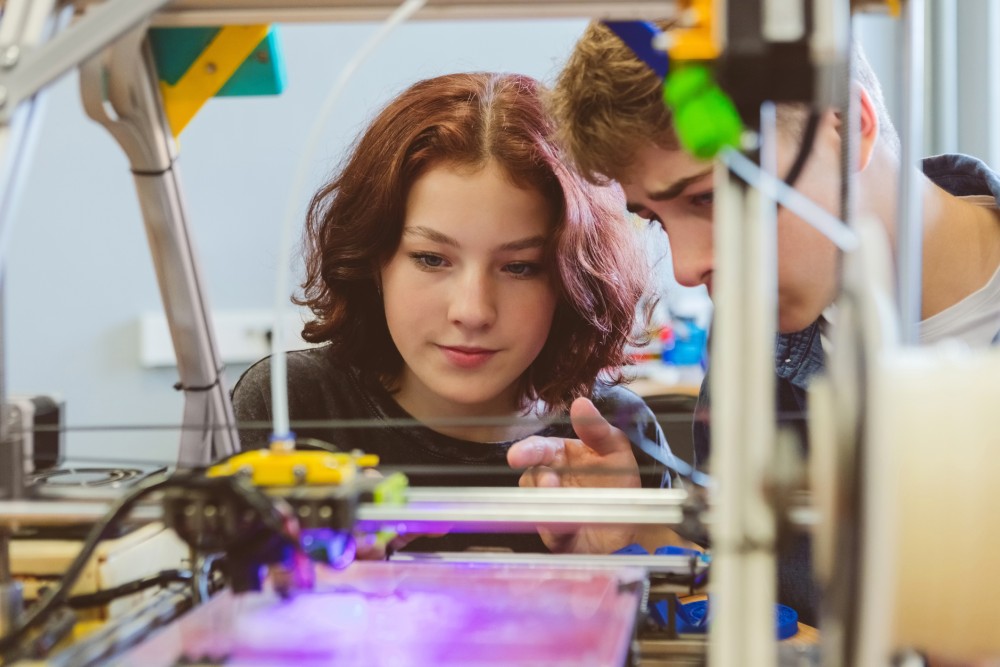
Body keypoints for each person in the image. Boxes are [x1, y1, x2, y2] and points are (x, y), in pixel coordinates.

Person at [509, 19, 1000, 627]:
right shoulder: (755, 342)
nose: (688, 269)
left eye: (710, 198)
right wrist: (642, 532)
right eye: (656, 219)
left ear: (849, 129)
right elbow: (768, 612)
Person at [231, 71, 683, 557]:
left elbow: (695, 607)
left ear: (573, 281)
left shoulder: (610, 433)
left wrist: (620, 554)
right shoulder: (294, 406)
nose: (472, 311)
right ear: (373, 259)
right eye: (430, 259)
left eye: (520, 267)